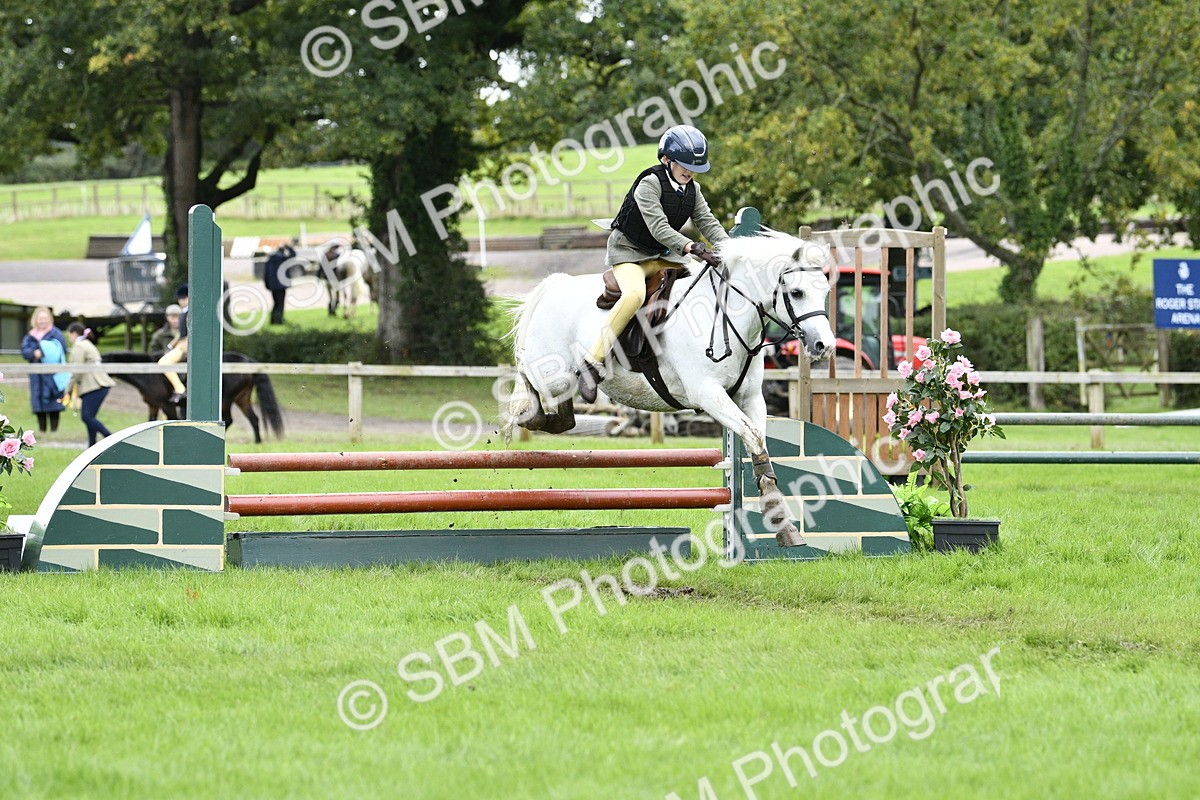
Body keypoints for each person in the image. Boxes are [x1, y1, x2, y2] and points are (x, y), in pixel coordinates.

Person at [579, 124, 729, 402]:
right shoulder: (649, 184)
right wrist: (692, 247)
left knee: (699, 283)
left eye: (694, 168)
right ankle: (591, 362)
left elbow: (707, 221)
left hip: (663, 256)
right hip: (629, 254)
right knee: (634, 296)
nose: (690, 172)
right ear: (666, 160)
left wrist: (730, 249)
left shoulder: (692, 189)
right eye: (685, 166)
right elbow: (659, 227)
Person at [62, 323, 115, 447]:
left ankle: (110, 438)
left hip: (93, 385)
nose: (69, 338)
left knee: (86, 417)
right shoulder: (86, 343)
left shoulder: (79, 346)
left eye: (69, 335)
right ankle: (92, 446)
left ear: (74, 333)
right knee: (90, 417)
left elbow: (77, 370)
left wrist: (68, 389)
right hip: (98, 384)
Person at [20, 306, 69, 433]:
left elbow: (62, 350)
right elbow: (24, 350)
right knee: (38, 402)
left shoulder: (56, 334)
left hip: (52, 375)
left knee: (53, 402)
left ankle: (54, 431)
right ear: (35, 320)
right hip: (36, 376)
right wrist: (33, 353)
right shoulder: (30, 336)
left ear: (49, 319)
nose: (42, 321)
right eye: (40, 318)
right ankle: (42, 430)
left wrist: (45, 352)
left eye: (45, 318)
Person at [158, 284, 189, 406]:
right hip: (181, 344)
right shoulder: (183, 313)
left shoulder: (189, 313)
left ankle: (180, 389)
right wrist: (170, 345)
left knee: (163, 363)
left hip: (185, 346)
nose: (182, 301)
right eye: (180, 298)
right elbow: (180, 334)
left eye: (184, 298)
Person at [263, 242, 296, 325]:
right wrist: (288, 247)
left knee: (275, 303)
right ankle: (279, 320)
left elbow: (266, 273)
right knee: (280, 303)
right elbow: (293, 255)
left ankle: (273, 320)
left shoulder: (270, 259)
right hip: (281, 285)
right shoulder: (282, 259)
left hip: (272, 285)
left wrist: (267, 284)